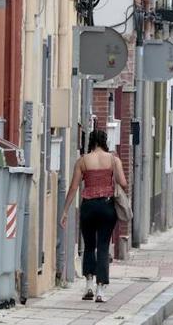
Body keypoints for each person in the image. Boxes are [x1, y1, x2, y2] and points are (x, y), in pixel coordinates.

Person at [60, 129, 127, 302]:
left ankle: (88, 285)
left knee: (89, 246)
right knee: (103, 246)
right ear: (105, 141)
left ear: (91, 141)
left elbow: (74, 187)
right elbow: (123, 182)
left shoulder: (82, 161)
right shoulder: (113, 159)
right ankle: (100, 290)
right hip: (106, 206)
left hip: (88, 206)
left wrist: (65, 211)